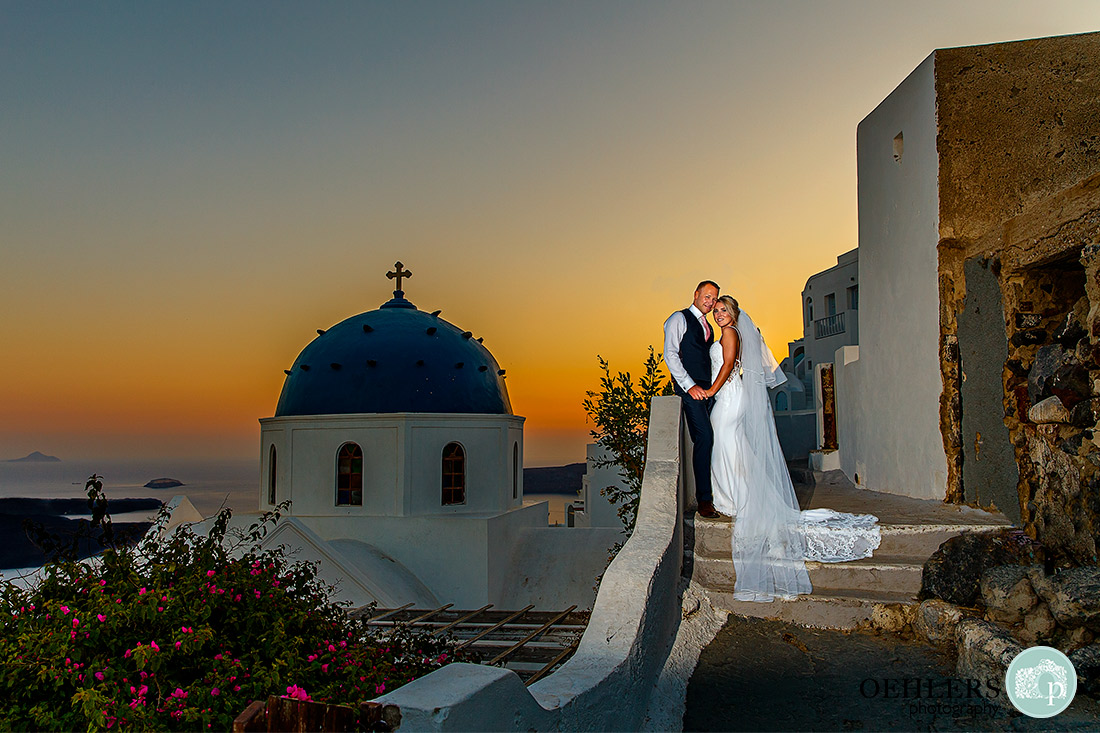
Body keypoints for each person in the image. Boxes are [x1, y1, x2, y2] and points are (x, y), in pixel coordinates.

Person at [703, 295, 879, 602]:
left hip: (728, 399)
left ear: (733, 313)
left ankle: (736, 500)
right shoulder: (734, 333)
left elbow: (729, 364)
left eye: (723, 310)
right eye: (716, 310)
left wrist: (710, 390)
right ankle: (737, 497)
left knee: (727, 447)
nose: (718, 314)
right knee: (733, 449)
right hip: (733, 398)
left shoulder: (731, 334)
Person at [663, 280, 721, 519]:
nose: (710, 302)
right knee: (704, 438)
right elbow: (671, 354)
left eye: (715, 299)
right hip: (691, 391)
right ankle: (704, 500)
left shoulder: (709, 325)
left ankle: (721, 490)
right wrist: (689, 386)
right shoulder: (678, 318)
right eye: (707, 296)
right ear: (696, 294)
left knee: (719, 436)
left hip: (709, 391)